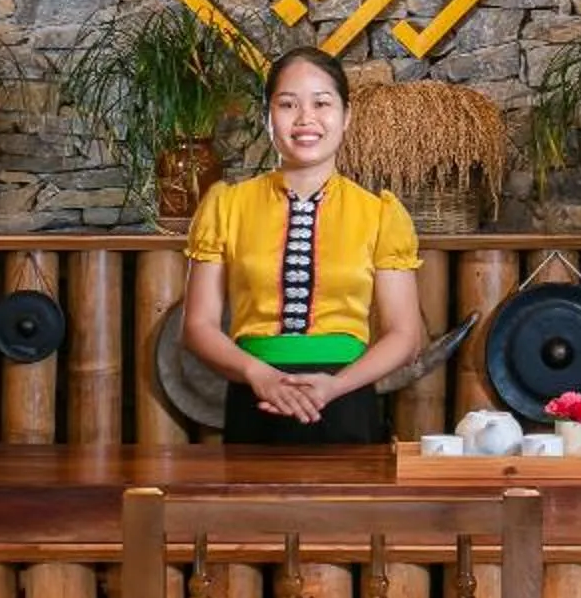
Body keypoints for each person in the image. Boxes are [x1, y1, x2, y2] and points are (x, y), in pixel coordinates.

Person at [182, 47, 424, 445]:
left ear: (346, 117)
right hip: (253, 398)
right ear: (267, 116)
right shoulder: (226, 204)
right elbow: (198, 326)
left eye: (322, 104)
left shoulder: (380, 213)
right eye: (288, 104)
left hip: (346, 400)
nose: (305, 119)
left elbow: (404, 333)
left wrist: (334, 386)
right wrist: (258, 374)